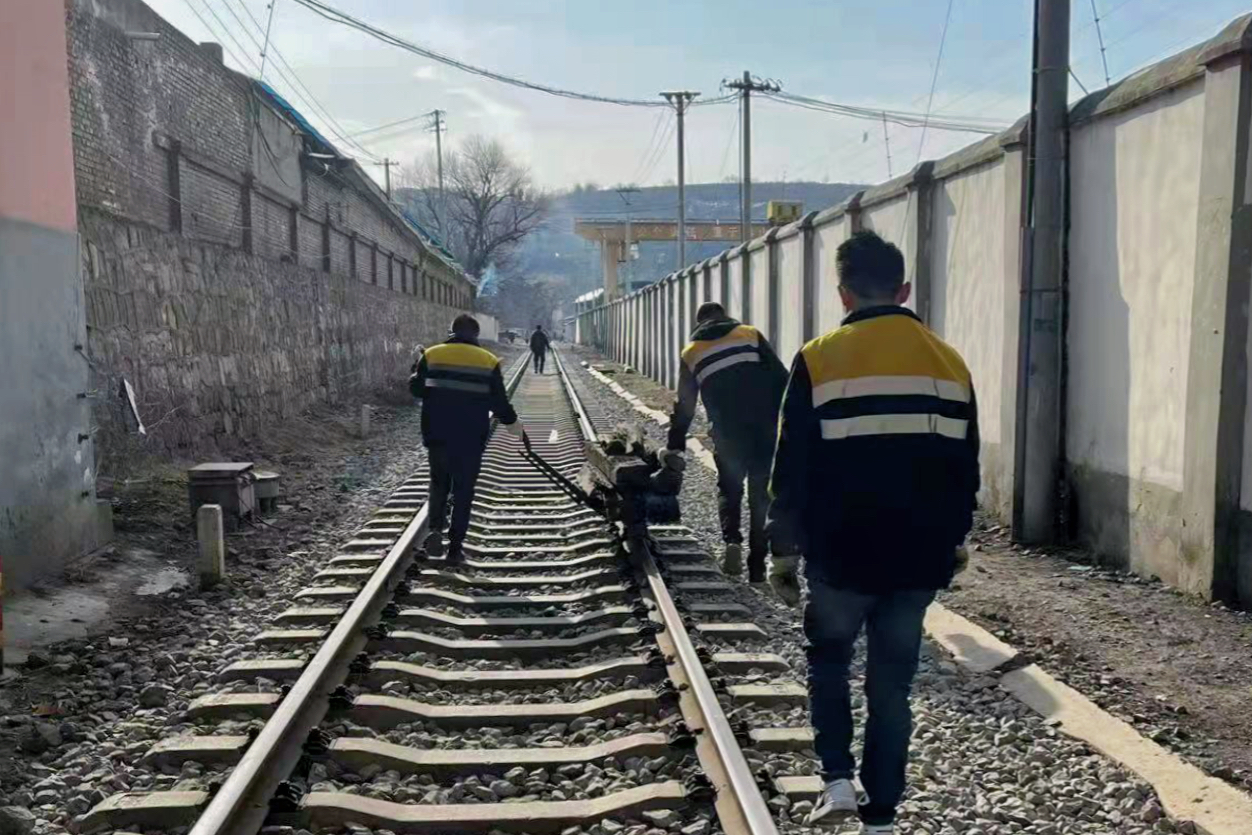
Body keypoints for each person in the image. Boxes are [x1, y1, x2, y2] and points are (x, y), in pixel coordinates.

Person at [767, 230, 980, 834]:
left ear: (843, 293)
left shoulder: (819, 357)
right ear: (904, 289)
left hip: (840, 552)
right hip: (917, 556)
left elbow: (792, 463)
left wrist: (781, 549)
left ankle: (837, 779)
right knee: (892, 688)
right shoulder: (949, 361)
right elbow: (965, 466)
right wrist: (954, 539)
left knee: (829, 660)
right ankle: (881, 818)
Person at [665, 301, 788, 583]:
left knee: (729, 489)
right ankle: (757, 566)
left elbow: (685, 405)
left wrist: (675, 445)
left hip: (726, 433)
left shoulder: (692, 352)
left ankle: (732, 541)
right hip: (763, 429)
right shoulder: (749, 334)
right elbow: (782, 378)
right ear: (725, 316)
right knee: (761, 495)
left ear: (699, 324)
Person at [410, 314, 524, 563]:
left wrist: (414, 368)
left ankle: (435, 529)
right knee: (463, 491)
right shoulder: (488, 360)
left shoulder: (432, 354)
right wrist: (513, 424)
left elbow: (417, 390)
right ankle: (455, 549)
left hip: (437, 434)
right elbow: (499, 402)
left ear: (451, 331)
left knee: (439, 484)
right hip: (470, 438)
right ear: (476, 334)